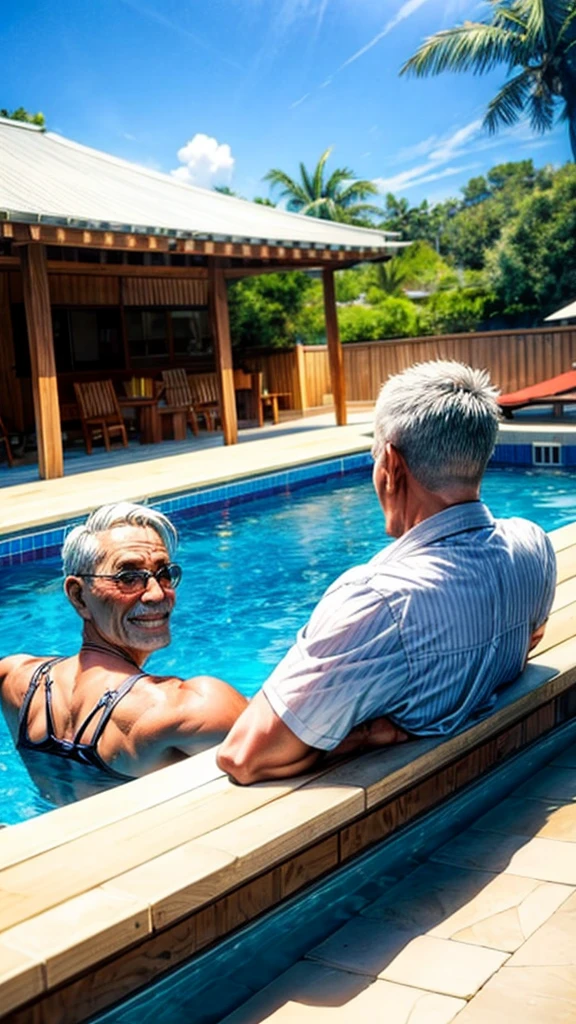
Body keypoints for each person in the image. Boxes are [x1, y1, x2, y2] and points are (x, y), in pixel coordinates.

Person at [218, 360, 557, 785]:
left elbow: (243, 756)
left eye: (376, 456)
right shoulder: (533, 546)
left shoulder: (378, 600)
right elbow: (526, 644)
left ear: (392, 465)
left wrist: (360, 736)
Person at [0, 502, 247, 799]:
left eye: (165, 573)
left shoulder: (16, 680)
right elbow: (293, 744)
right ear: (78, 596)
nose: (158, 594)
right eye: (128, 578)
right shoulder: (184, 706)